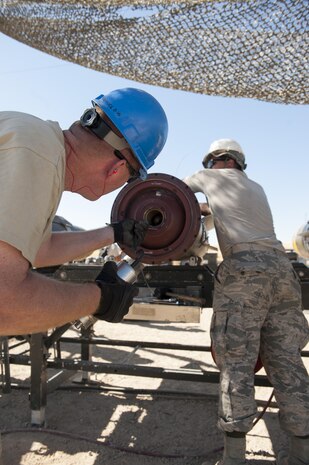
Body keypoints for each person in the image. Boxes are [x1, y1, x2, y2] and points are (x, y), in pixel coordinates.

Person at [0, 87, 168, 336]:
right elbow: (5, 303)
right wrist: (100, 298)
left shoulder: (38, 142)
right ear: (117, 168)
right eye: (130, 179)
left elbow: (40, 249)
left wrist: (114, 233)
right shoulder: (38, 156)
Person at [183, 139, 309, 465]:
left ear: (216, 160)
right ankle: (300, 454)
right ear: (240, 162)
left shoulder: (208, 176)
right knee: (287, 362)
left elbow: (170, 193)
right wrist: (205, 211)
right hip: (282, 269)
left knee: (237, 363)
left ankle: (234, 459)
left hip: (245, 270)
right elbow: (224, 213)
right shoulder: (255, 187)